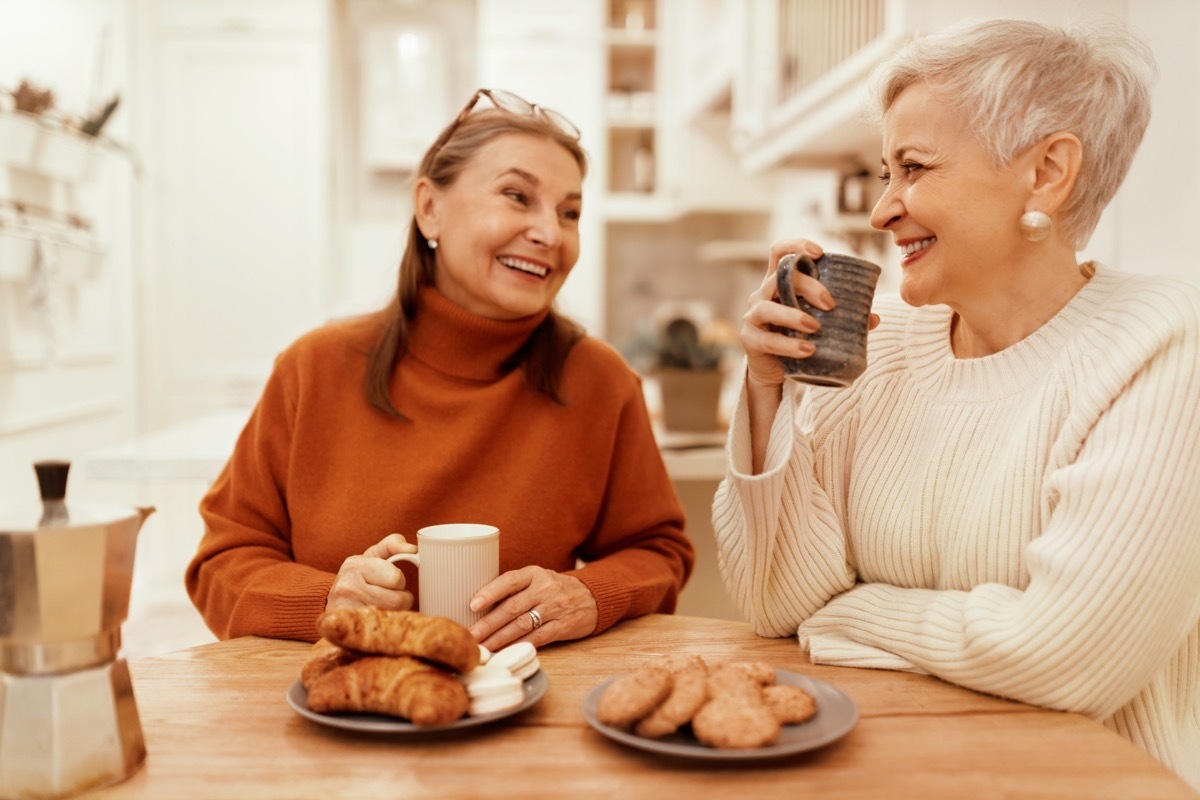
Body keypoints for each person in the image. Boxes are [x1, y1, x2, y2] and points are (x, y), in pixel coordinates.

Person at [714, 18, 1200, 788]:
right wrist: (768, 392)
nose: (882, 211)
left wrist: (853, 614)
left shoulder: (1162, 347)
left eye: (913, 168)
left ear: (1046, 173)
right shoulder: (889, 340)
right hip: (897, 775)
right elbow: (779, 600)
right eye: (885, 173)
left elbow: (1069, 659)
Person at [187, 88, 694, 653]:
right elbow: (221, 563)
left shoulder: (600, 381)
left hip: (518, 710)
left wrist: (588, 594)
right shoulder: (314, 369)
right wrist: (326, 601)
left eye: (569, 212)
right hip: (334, 712)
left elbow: (658, 551)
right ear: (430, 207)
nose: (550, 234)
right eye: (516, 196)